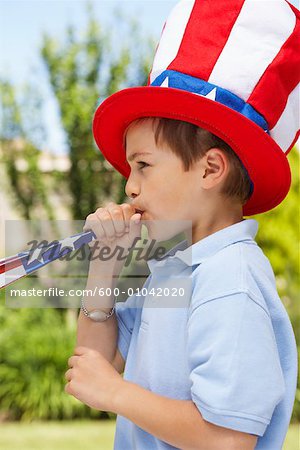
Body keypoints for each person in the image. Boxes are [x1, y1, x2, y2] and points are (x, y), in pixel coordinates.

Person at [64, 1, 299, 449]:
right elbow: (97, 362)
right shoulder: (175, 268)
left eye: (143, 165)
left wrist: (116, 393)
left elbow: (228, 439)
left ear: (211, 170)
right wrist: (103, 264)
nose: (130, 187)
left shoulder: (230, 278)